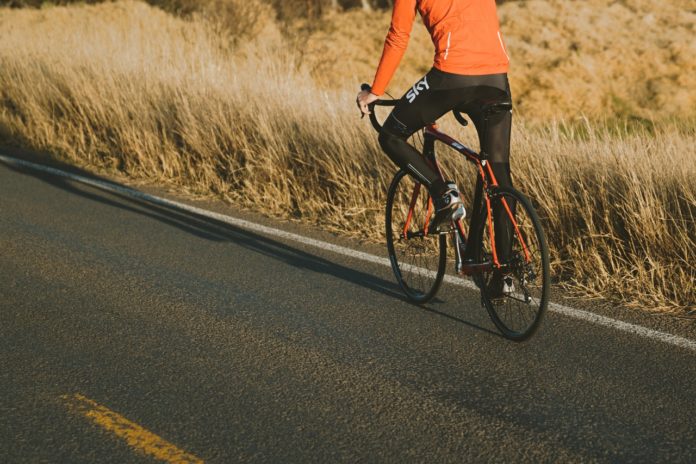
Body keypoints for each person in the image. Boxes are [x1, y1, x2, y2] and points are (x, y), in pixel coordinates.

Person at [357, 0, 515, 294]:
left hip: (451, 76)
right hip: (497, 77)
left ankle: (443, 195)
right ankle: (504, 273)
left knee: (391, 135)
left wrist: (375, 92)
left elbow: (398, 35)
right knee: (498, 173)